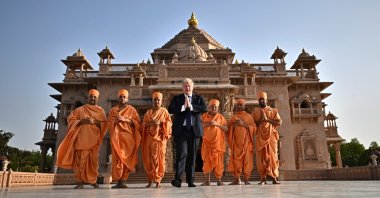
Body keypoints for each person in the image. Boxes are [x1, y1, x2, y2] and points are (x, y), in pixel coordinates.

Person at [56, 89, 107, 189]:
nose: (92, 98)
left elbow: (104, 125)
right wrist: (82, 121)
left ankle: (93, 181)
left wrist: (95, 122)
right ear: (88, 98)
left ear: (98, 99)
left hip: (93, 141)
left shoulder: (100, 111)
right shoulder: (80, 110)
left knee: (93, 162)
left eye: (94, 97)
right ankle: (80, 182)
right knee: (79, 162)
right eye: (91, 96)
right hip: (81, 140)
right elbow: (70, 119)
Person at [168, 78, 207, 188]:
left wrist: (192, 107)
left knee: (192, 156)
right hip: (181, 131)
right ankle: (178, 180)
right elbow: (170, 109)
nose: (187, 87)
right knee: (181, 155)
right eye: (185, 86)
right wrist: (183, 107)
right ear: (182, 88)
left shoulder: (198, 98)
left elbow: (204, 108)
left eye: (189, 85)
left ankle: (190, 181)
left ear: (192, 87)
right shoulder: (177, 98)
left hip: (194, 131)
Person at [107, 89, 141, 188]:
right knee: (118, 159)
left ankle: (124, 180)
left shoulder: (132, 110)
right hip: (116, 138)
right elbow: (108, 124)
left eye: (124, 97)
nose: (122, 99)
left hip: (128, 139)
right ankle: (119, 180)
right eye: (120, 97)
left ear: (127, 99)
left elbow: (137, 124)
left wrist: (125, 119)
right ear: (118, 98)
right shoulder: (113, 110)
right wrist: (115, 121)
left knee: (126, 159)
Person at [141, 92, 172, 188]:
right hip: (149, 140)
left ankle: (158, 181)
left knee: (159, 159)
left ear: (161, 101)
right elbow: (143, 125)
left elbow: (169, 124)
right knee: (149, 160)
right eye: (155, 99)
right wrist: (151, 123)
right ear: (152, 101)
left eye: (158, 100)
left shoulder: (164, 112)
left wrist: (161, 123)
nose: (157, 101)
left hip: (160, 140)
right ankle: (150, 180)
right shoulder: (148, 113)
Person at [252, 92, 282, 185]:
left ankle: (274, 178)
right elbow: (252, 125)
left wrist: (267, 120)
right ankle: (263, 179)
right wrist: (261, 120)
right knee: (261, 158)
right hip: (260, 136)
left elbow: (279, 122)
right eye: (259, 99)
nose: (261, 100)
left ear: (266, 100)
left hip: (271, 137)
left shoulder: (273, 111)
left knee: (273, 156)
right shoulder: (255, 111)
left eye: (262, 99)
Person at [227, 99, 256, 185]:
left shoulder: (249, 116)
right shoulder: (233, 117)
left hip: (246, 143)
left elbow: (254, 128)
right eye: (238, 105)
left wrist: (243, 124)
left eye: (241, 105)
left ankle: (246, 179)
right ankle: (237, 179)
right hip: (236, 143)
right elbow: (228, 129)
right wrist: (234, 125)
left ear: (244, 106)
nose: (239, 106)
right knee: (236, 161)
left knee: (247, 161)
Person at [200, 99, 228, 186]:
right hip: (207, 142)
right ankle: (207, 181)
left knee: (218, 162)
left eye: (216, 107)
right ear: (208, 107)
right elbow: (199, 126)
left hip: (218, 144)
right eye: (212, 106)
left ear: (218, 108)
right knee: (207, 161)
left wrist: (217, 124)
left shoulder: (220, 117)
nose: (214, 108)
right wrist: (208, 124)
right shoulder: (203, 116)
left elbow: (226, 128)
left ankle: (219, 181)